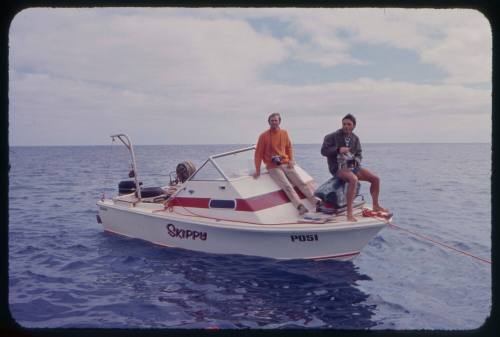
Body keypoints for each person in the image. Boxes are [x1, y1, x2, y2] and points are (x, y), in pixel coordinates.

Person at [321, 113, 387, 222]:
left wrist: (355, 162)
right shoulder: (331, 137)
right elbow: (323, 151)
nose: (346, 126)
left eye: (349, 124)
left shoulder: (355, 139)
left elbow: (359, 154)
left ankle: (376, 205)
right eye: (344, 124)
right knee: (353, 179)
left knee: (376, 179)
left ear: (354, 126)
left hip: (352, 167)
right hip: (338, 168)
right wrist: (338, 150)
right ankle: (349, 213)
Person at [253, 113, 321, 215]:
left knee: (300, 183)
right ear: (269, 122)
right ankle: (300, 206)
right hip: (273, 167)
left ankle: (316, 202)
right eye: (272, 120)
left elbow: (289, 147)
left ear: (279, 121)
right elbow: (258, 154)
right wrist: (257, 170)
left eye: (276, 120)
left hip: (285, 163)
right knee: (287, 186)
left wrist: (291, 160)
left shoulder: (284, 133)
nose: (274, 122)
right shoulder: (263, 136)